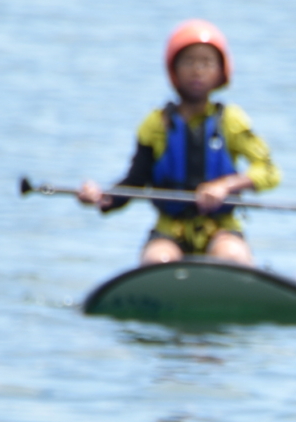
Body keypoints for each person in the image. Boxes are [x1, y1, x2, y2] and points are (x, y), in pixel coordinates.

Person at [74, 20, 281, 265]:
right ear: (174, 70)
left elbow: (269, 172)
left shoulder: (232, 121)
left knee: (231, 256)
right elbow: (134, 182)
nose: (197, 71)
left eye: (206, 63)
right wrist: (100, 197)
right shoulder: (155, 124)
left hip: (221, 229)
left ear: (220, 72)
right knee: (157, 260)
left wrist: (226, 185)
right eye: (189, 62)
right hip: (170, 230)